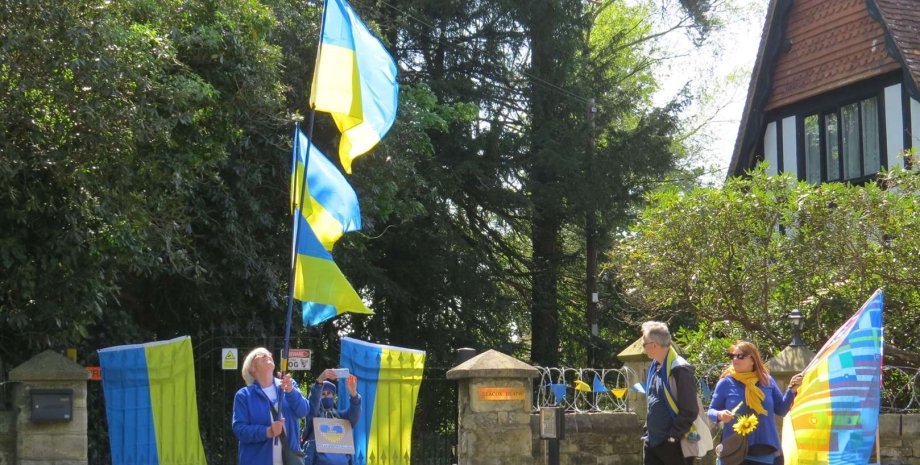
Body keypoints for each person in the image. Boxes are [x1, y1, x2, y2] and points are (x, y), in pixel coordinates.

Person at [707, 341, 803, 465]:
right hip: (735, 450)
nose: (735, 359)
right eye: (733, 356)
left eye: (740, 356)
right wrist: (719, 415)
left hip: (764, 450)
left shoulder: (767, 381)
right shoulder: (725, 383)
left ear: (753, 360)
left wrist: (792, 389)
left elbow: (781, 409)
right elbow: (711, 410)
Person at [232, 348, 309, 465]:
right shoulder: (244, 395)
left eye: (268, 354)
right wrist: (268, 431)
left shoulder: (288, 385)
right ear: (251, 369)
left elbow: (303, 411)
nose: (267, 355)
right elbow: (240, 430)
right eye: (259, 354)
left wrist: (291, 391)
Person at [641, 321, 699, 465]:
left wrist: (672, 437)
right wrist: (647, 432)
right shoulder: (654, 367)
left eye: (644, 344)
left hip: (674, 446)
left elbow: (690, 410)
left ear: (654, 345)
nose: (642, 349)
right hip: (652, 443)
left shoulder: (680, 369)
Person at [303, 368, 362, 465]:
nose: (326, 396)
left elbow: (355, 414)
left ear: (334, 396)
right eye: (323, 394)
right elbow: (313, 403)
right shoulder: (314, 415)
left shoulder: (341, 417)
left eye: (329, 393)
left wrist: (353, 394)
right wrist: (319, 381)